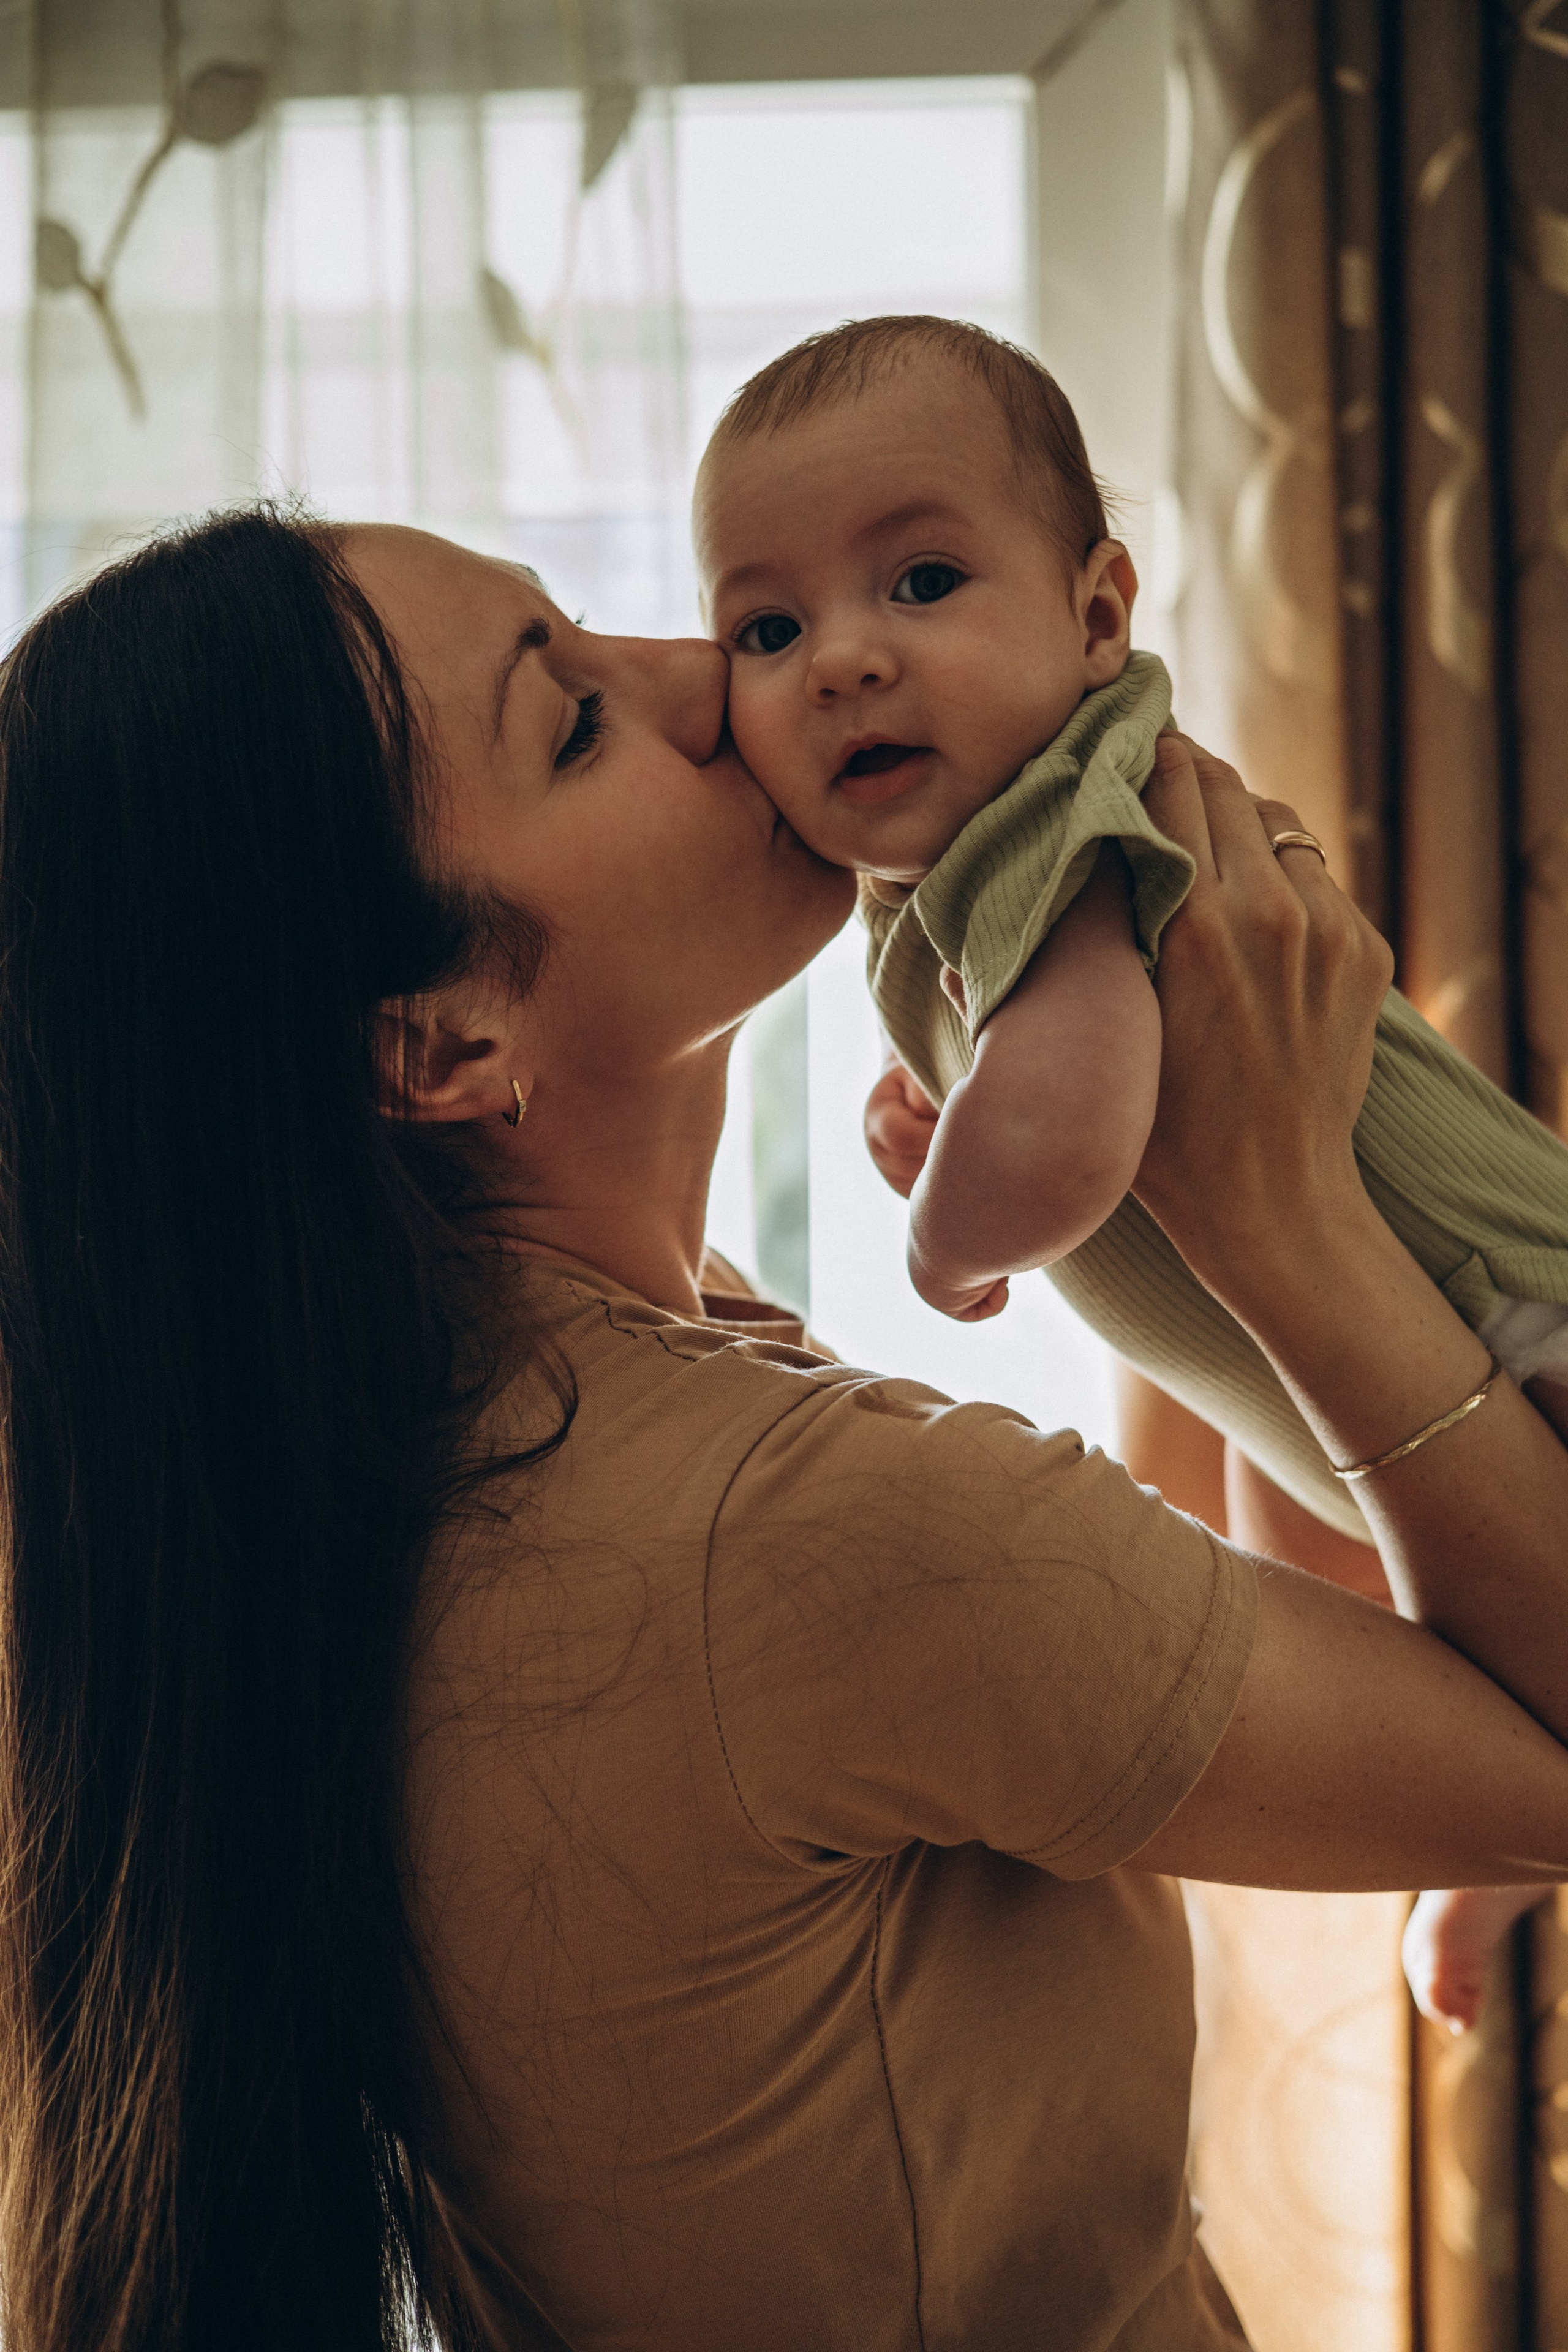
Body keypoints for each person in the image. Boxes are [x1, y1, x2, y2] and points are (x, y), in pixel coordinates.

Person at [4, 511, 1568, 2352]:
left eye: (597, 630)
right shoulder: (786, 1537)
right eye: (575, 721)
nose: (704, 680)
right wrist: (1286, 1218)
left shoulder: (450, 1433)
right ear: (436, 1049)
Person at [692, 311, 1568, 2030]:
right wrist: (948, 1113)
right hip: (1367, 1370)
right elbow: (1062, 1072)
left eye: (921, 581)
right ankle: (1506, 1833)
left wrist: (953, 1239)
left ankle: (1508, 1836)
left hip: (1516, 1318)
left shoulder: (1058, 819)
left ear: (1098, 615)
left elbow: (1080, 1116)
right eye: (770, 626)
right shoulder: (957, 875)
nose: (842, 660)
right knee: (1350, 1580)